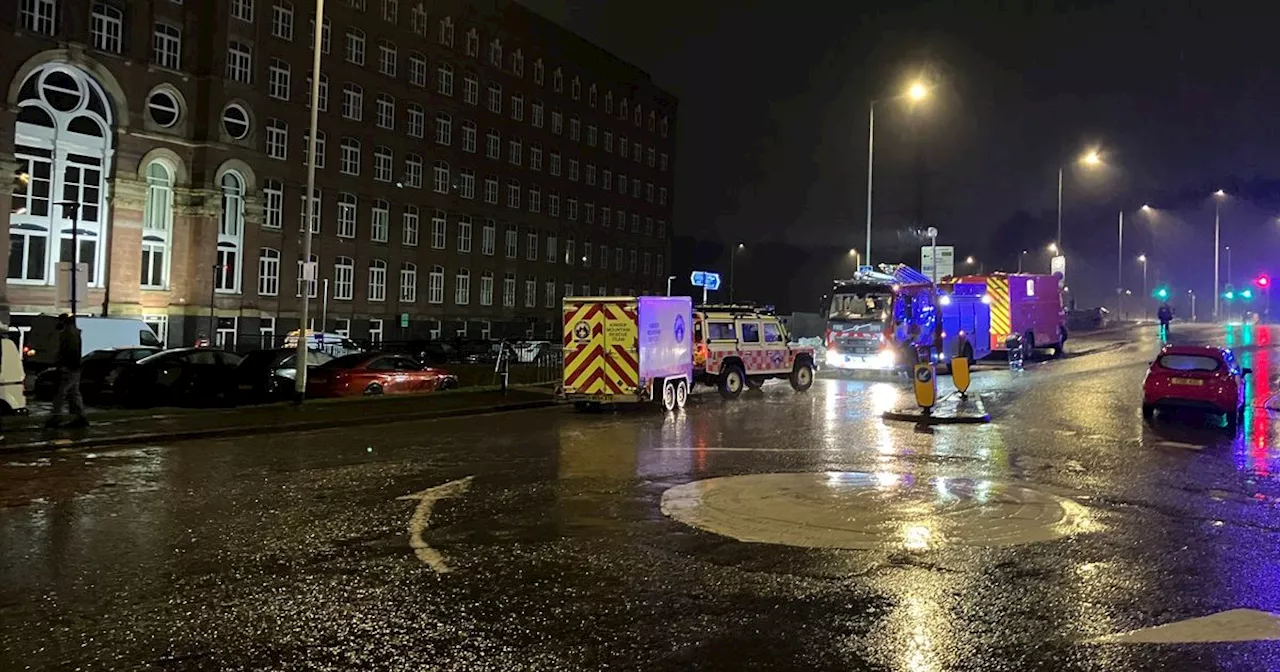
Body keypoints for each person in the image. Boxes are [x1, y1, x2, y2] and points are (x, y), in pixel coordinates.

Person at [47, 314, 88, 428]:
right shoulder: (74, 333)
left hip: (68, 368)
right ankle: (80, 417)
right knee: (74, 393)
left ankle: (56, 417)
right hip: (74, 368)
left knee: (60, 393)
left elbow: (69, 351)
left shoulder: (68, 334)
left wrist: (63, 364)